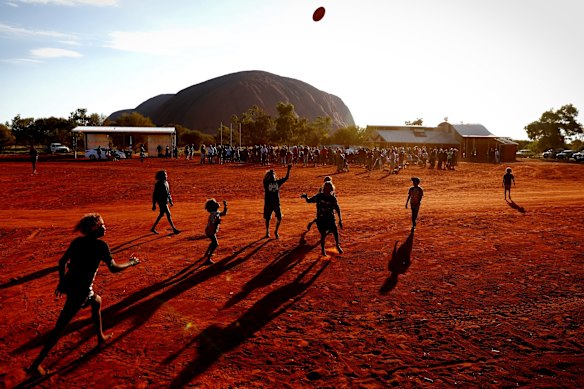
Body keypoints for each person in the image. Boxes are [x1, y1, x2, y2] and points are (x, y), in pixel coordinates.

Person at [27, 213, 140, 377]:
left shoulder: (78, 242)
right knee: (60, 327)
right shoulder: (101, 246)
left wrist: (62, 281)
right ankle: (35, 366)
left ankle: (100, 337)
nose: (104, 227)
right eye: (102, 225)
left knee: (97, 302)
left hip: (72, 285)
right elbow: (114, 268)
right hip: (80, 292)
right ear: (94, 228)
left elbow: (61, 262)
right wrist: (131, 263)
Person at [301, 181, 343, 256]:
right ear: (323, 188)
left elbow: (337, 208)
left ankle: (337, 245)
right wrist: (306, 197)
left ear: (331, 189)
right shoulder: (319, 196)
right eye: (326, 187)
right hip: (321, 219)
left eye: (329, 188)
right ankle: (323, 250)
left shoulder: (332, 198)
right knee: (323, 234)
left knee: (335, 231)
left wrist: (340, 219)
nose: (327, 189)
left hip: (330, 218)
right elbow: (309, 200)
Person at [263, 164, 292, 239]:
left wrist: (288, 170)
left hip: (274, 203)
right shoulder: (267, 183)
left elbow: (286, 178)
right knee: (268, 218)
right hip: (270, 203)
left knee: (278, 217)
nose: (273, 177)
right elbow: (286, 178)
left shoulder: (273, 183)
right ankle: (268, 231)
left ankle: (275, 231)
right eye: (271, 175)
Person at [151, 170, 181, 234]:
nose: (166, 176)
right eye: (164, 175)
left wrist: (170, 200)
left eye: (166, 175)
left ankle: (153, 228)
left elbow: (168, 193)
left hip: (165, 201)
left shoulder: (166, 182)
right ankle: (174, 229)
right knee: (168, 214)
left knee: (161, 214)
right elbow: (155, 194)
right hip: (161, 201)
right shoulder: (159, 184)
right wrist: (154, 204)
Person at [203, 199, 228, 264]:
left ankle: (207, 253)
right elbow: (212, 221)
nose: (217, 203)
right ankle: (208, 259)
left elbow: (224, 213)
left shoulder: (216, 212)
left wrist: (225, 206)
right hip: (210, 231)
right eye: (215, 203)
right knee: (215, 244)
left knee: (213, 242)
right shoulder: (213, 214)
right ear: (212, 207)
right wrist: (216, 222)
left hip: (210, 230)